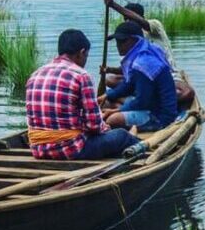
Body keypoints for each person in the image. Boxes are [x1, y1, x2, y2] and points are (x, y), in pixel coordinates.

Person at [25, 29, 139, 160]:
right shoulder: (81, 75)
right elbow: (94, 126)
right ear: (82, 53)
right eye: (86, 56)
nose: (85, 61)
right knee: (121, 136)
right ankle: (135, 140)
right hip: (70, 150)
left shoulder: (35, 75)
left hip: (38, 150)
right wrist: (107, 128)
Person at [102, 0, 195, 103]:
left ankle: (144, 99)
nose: (127, 22)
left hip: (168, 75)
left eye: (129, 18)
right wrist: (109, 69)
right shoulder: (130, 38)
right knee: (109, 79)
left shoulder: (154, 26)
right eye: (125, 20)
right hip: (142, 79)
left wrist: (114, 5)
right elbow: (131, 68)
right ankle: (145, 97)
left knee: (187, 93)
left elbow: (142, 22)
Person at [102, 21, 177, 132]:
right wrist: (107, 95)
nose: (118, 45)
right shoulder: (140, 54)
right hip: (151, 105)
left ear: (134, 40)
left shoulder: (143, 63)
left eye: (122, 41)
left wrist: (115, 112)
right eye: (117, 42)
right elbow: (128, 85)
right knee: (107, 102)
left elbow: (142, 102)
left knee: (113, 119)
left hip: (160, 117)